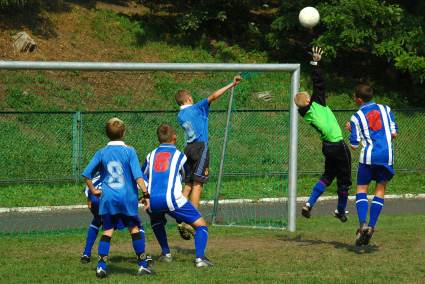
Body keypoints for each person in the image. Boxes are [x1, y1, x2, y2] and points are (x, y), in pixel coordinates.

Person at [82, 117, 151, 278]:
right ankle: (142, 264)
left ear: (107, 134)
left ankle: (100, 266)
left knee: (107, 230)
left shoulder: (102, 152)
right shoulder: (130, 151)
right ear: (124, 133)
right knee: (134, 228)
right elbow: (138, 176)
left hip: (109, 197)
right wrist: (145, 194)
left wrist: (93, 190)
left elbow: (86, 174)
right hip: (127, 197)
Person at [174, 75, 242, 239]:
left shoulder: (180, 116)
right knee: (198, 185)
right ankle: (192, 221)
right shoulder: (197, 108)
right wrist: (231, 85)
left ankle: (179, 216)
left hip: (188, 149)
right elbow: (213, 96)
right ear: (189, 98)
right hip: (200, 148)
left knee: (188, 185)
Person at [142, 124, 213, 268]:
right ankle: (200, 259)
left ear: (158, 138)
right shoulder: (180, 156)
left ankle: (166, 253)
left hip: (152, 200)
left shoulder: (150, 155)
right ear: (174, 137)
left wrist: (145, 194)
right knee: (201, 226)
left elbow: (142, 177)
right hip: (172, 199)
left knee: (157, 220)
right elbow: (186, 177)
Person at [294, 47, 352, 222]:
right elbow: (319, 83)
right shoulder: (316, 103)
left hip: (327, 146)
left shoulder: (305, 112)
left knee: (328, 176)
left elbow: (317, 87)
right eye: (307, 96)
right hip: (338, 144)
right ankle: (340, 210)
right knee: (345, 181)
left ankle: (309, 203)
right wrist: (315, 62)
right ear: (307, 101)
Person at [347, 84, 398, 246]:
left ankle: (362, 224)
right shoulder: (386, 109)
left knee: (362, 189)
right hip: (386, 156)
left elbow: (354, 145)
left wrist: (351, 130)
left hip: (369, 157)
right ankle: (372, 226)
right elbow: (394, 134)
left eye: (354, 97)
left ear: (359, 99)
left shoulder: (356, 117)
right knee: (380, 189)